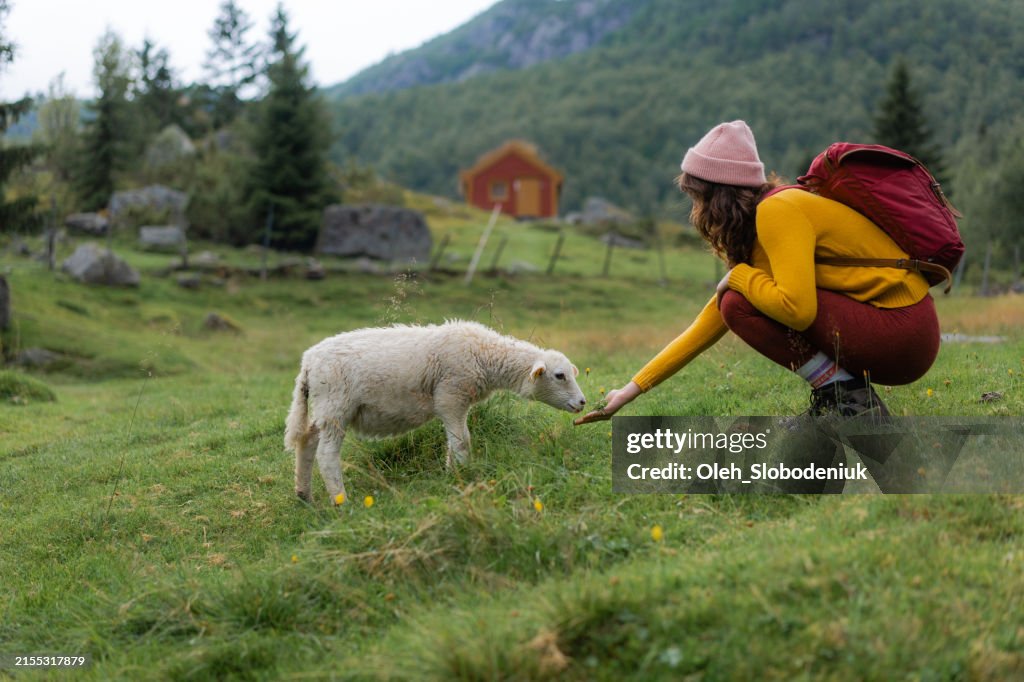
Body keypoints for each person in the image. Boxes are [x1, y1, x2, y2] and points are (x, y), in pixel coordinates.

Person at [575, 120, 940, 425]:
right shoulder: (764, 220)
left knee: (738, 301)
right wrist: (630, 390)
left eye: (698, 197)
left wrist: (738, 278)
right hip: (897, 329)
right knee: (734, 301)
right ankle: (843, 397)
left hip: (902, 332)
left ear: (720, 194)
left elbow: (798, 310)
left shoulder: (779, 212)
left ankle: (848, 399)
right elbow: (712, 317)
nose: (696, 210)